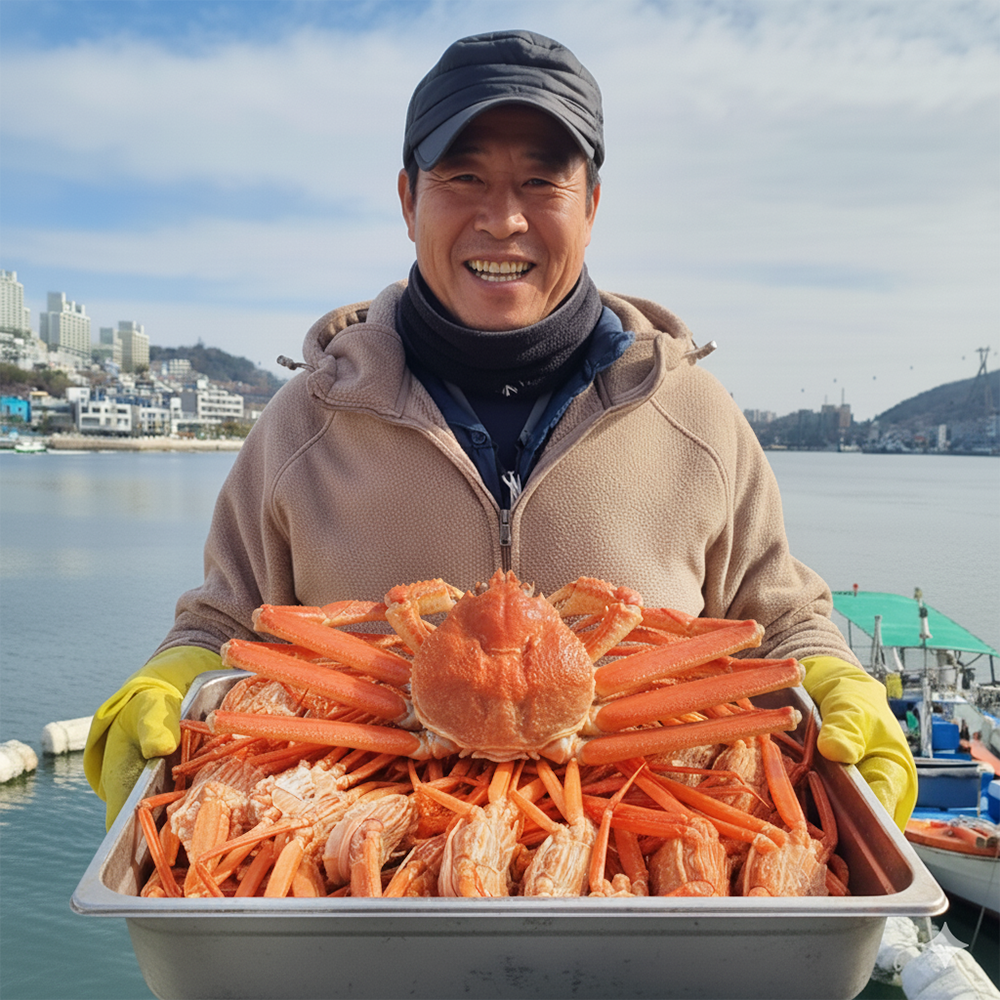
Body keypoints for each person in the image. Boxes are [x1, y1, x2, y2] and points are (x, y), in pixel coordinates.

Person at [84, 29, 916, 833]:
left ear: (591, 206)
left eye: (542, 182)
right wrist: (175, 674)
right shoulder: (304, 422)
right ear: (408, 200)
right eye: (464, 176)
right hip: (353, 890)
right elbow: (231, 629)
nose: (504, 218)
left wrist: (836, 680)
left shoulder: (696, 417)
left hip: (646, 869)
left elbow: (777, 624)